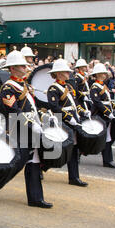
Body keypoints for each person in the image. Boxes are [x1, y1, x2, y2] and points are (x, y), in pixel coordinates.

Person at [0, 49, 54, 208]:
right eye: (21, 66)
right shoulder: (8, 88)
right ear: (12, 68)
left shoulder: (24, 84)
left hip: (31, 127)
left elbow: (31, 106)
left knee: (34, 161)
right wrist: (30, 124)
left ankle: (35, 197)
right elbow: (13, 111)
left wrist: (42, 116)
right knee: (16, 162)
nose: (25, 68)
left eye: (25, 65)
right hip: (19, 129)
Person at [47, 58, 89, 187]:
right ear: (59, 73)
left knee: (74, 150)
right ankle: (42, 167)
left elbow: (75, 104)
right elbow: (54, 107)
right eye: (65, 72)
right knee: (60, 151)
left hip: (73, 119)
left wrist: (83, 112)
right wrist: (68, 117)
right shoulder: (53, 88)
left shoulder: (69, 86)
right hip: (64, 121)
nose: (68, 73)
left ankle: (74, 177)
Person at [90, 63, 115, 168]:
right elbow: (97, 102)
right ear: (97, 74)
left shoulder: (103, 86)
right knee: (96, 137)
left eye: (104, 73)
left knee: (107, 137)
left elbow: (108, 100)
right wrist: (107, 112)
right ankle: (81, 152)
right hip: (100, 114)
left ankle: (108, 160)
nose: (104, 75)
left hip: (106, 114)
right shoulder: (94, 87)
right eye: (102, 73)